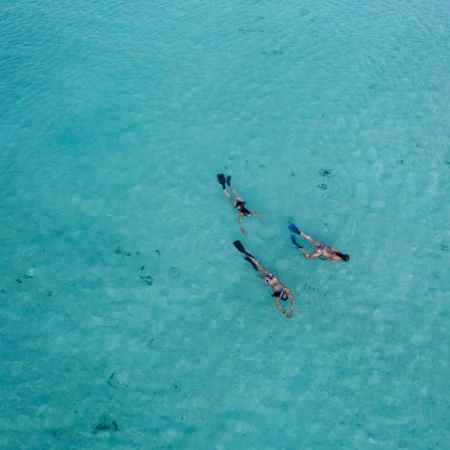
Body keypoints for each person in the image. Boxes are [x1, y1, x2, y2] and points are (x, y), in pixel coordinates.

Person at [233, 240, 295, 319]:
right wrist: (292, 309)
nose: (284, 294)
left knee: (256, 269)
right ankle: (248, 255)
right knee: (259, 265)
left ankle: (250, 260)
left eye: (283, 295)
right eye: (285, 295)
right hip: (272, 276)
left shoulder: (277, 295)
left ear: (281, 296)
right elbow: (293, 300)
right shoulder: (286, 291)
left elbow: (278, 306)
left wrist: (285, 313)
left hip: (267, 280)